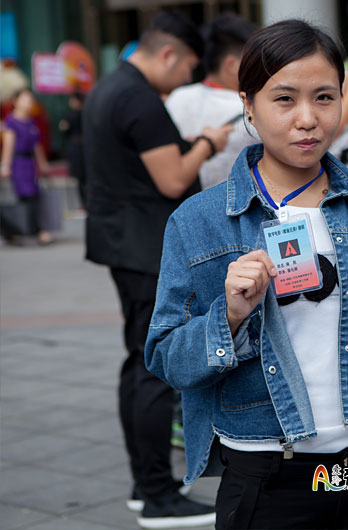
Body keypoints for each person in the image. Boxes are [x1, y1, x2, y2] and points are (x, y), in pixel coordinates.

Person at [144, 19, 348, 529]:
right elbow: (166, 357)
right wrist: (229, 317)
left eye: (324, 97)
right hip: (267, 479)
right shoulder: (198, 222)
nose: (307, 119)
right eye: (284, 99)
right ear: (248, 104)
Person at [82, 11, 231, 528]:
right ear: (168, 54)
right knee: (153, 368)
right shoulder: (141, 99)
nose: (189, 76)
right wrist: (208, 143)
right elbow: (172, 180)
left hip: (121, 243)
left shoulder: (109, 87)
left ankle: (143, 483)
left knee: (136, 364)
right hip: (144, 248)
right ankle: (158, 496)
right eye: (189, 66)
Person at [165, 12, 258, 189]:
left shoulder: (177, 97)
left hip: (188, 202)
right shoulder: (249, 108)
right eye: (253, 61)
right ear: (231, 65)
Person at [0, 88, 52, 245]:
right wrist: (5, 166)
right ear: (15, 102)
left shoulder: (31, 121)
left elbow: (36, 146)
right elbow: (8, 145)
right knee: (26, 196)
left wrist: (42, 164)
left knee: (33, 195)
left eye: (30, 100)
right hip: (18, 163)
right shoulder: (11, 122)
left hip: (30, 163)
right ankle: (34, 231)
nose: (29, 103)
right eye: (25, 99)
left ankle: (24, 231)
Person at [58, 91, 87, 209]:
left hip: (75, 147)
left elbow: (63, 127)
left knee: (79, 177)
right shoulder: (87, 113)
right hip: (86, 147)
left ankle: (83, 202)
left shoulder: (71, 115)